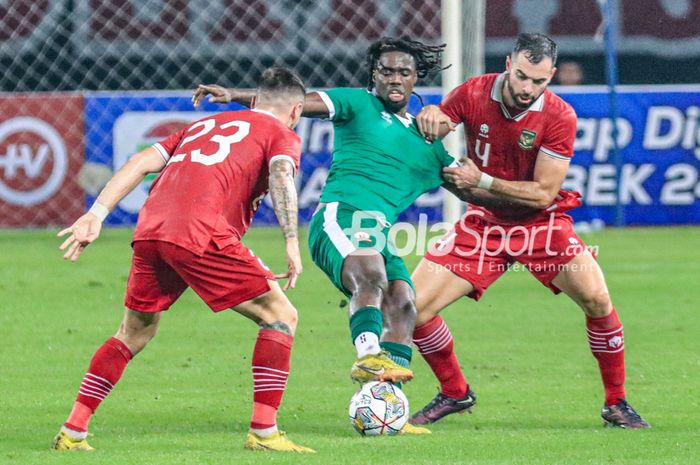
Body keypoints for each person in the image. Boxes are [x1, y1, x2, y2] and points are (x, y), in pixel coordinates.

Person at [193, 37, 457, 435]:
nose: (395, 78)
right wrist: (234, 95)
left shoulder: (429, 144)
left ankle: (388, 404)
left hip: (380, 233)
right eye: (386, 71)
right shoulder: (357, 103)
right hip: (339, 219)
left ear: (417, 76)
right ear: (375, 75)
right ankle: (368, 353)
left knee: (403, 302)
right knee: (372, 278)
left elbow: (470, 186)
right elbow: (296, 103)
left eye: (404, 72)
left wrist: (516, 188)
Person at [51, 67, 316, 453]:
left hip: (151, 229)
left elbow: (141, 161)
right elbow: (280, 175)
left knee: (134, 332)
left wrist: (97, 213)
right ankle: (264, 432)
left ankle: (73, 431)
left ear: (255, 101)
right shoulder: (283, 134)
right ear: (296, 112)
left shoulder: (204, 125)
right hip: (201, 231)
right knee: (281, 315)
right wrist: (292, 239)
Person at [407, 33, 650, 429]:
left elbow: (543, 193)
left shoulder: (559, 116)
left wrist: (481, 181)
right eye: (521, 76)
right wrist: (433, 115)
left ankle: (616, 402)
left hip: (541, 224)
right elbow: (441, 124)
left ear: (550, 75)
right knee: (411, 308)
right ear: (508, 64)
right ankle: (454, 391)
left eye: (538, 81)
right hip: (484, 223)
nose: (527, 88)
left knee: (597, 299)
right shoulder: (473, 92)